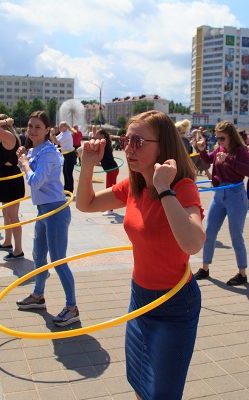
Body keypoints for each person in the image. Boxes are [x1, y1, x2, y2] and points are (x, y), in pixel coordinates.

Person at [76, 110, 205, 399]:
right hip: (140, 299)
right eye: (126, 139)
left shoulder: (182, 187)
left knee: (162, 394)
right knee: (139, 383)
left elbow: (193, 243)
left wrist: (164, 189)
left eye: (138, 141)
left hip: (174, 305)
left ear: (163, 146)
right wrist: (87, 166)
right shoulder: (134, 184)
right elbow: (85, 204)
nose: (128, 147)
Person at [15, 111, 79, 327]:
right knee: (38, 256)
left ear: (47, 130)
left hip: (56, 212)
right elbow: (27, 169)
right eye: (30, 126)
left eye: (37, 127)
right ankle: (38, 296)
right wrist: (24, 157)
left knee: (58, 260)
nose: (32, 130)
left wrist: (24, 162)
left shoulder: (49, 153)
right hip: (43, 210)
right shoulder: (36, 150)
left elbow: (35, 181)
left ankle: (72, 307)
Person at [193, 121, 249, 286]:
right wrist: (201, 150)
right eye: (217, 138)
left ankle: (242, 274)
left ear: (231, 137)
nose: (219, 141)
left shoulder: (240, 150)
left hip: (235, 195)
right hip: (219, 195)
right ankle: (205, 268)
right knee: (209, 232)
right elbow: (208, 160)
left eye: (222, 138)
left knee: (236, 235)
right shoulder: (219, 148)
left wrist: (229, 159)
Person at [0, 114, 26, 261]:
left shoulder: (8, 136)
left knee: (13, 216)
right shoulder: (3, 138)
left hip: (11, 180)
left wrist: (6, 121)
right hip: (4, 178)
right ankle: (7, 242)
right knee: (6, 214)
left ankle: (18, 250)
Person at [93, 126, 120, 216]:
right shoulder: (105, 143)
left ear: (102, 136)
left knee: (110, 190)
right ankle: (109, 208)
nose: (96, 138)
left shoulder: (104, 144)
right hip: (112, 169)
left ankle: (110, 209)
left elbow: (99, 155)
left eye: (97, 136)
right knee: (110, 189)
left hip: (112, 169)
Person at [51, 121, 76, 193]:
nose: (59, 128)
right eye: (59, 126)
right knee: (65, 172)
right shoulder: (63, 133)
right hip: (66, 155)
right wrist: (52, 134)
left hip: (70, 155)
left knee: (68, 173)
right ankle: (66, 188)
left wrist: (52, 134)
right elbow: (54, 139)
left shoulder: (66, 134)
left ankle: (70, 190)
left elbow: (56, 142)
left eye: (61, 127)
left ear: (65, 127)